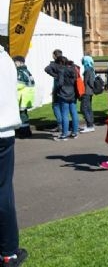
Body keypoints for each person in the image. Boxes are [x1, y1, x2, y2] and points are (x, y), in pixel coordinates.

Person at [0, 45, 28, 266]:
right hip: (4, 132)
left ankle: (8, 251)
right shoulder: (6, 59)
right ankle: (8, 251)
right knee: (3, 191)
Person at [47, 56, 79, 140]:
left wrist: (55, 90)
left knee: (65, 114)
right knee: (74, 113)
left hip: (64, 93)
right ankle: (75, 132)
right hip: (73, 92)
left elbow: (60, 83)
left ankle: (64, 134)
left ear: (60, 63)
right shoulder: (73, 68)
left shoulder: (62, 70)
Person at [13, 56, 35, 138]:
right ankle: (26, 131)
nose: (14, 64)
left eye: (15, 62)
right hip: (26, 96)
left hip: (22, 96)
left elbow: (19, 84)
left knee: (22, 115)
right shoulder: (26, 71)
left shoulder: (20, 72)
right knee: (23, 114)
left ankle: (24, 132)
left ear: (20, 62)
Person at [44, 49, 63, 132]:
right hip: (66, 87)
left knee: (56, 106)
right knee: (63, 107)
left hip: (57, 86)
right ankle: (64, 125)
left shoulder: (54, 64)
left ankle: (60, 125)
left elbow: (46, 69)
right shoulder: (65, 63)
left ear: (55, 56)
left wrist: (55, 75)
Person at [80, 55, 96, 133]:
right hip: (90, 92)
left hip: (86, 92)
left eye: (83, 61)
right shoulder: (91, 69)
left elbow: (88, 82)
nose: (82, 62)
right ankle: (90, 124)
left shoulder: (87, 70)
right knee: (88, 108)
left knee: (84, 108)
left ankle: (90, 125)